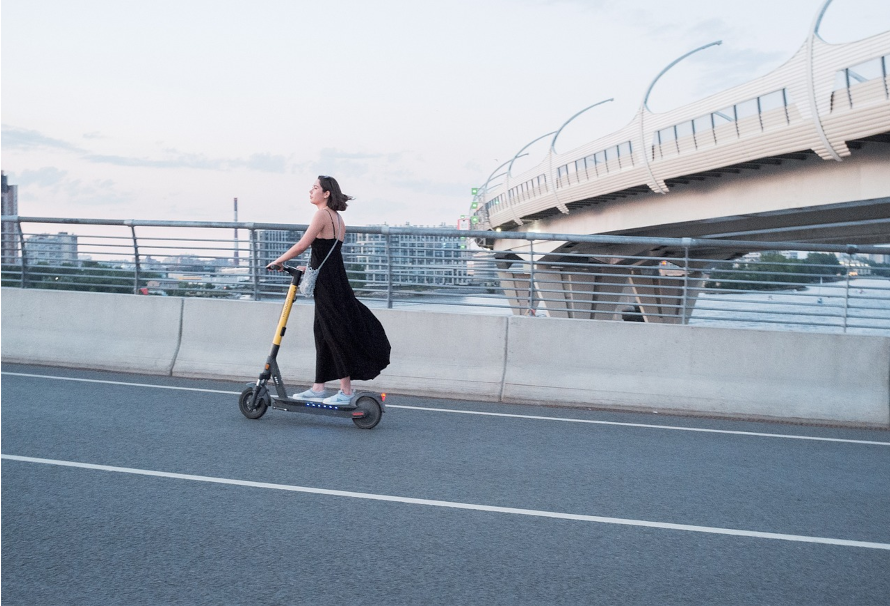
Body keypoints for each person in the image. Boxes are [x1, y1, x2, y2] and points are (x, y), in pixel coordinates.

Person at [267, 176, 391, 405]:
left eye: (315, 187)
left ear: (326, 193)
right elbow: (327, 256)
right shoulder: (338, 218)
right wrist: (306, 267)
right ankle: (318, 387)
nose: (310, 191)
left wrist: (277, 260)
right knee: (322, 332)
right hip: (335, 279)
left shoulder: (322, 214)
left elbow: (303, 244)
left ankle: (345, 392)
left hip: (327, 285)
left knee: (334, 334)